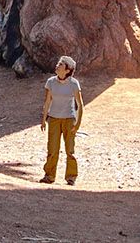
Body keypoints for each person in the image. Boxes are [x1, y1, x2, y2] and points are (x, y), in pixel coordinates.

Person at [39, 55, 83, 184]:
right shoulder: (51, 82)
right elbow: (47, 102)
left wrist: (78, 123)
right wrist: (43, 119)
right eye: (58, 64)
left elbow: (80, 105)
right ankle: (49, 176)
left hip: (69, 119)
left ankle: (71, 177)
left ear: (68, 70)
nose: (57, 66)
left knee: (70, 150)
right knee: (52, 149)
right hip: (53, 119)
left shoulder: (74, 84)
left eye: (60, 65)